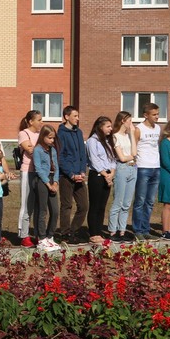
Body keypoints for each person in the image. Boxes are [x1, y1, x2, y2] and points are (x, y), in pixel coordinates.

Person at [56, 106, 90, 243]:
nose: (77, 118)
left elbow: (82, 154)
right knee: (67, 205)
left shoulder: (78, 132)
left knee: (84, 205)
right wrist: (70, 174)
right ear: (66, 117)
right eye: (75, 116)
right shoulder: (61, 134)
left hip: (79, 175)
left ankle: (73, 231)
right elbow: (60, 157)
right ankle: (64, 234)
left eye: (77, 115)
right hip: (66, 176)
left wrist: (82, 171)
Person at [132, 103, 163, 239]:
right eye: (154, 114)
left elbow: (156, 146)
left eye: (158, 114)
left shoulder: (158, 128)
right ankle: (137, 231)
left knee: (150, 202)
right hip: (143, 167)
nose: (157, 117)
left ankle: (146, 230)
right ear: (146, 115)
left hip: (156, 167)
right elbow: (134, 146)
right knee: (140, 200)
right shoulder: (139, 129)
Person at [108, 111, 138, 242]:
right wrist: (131, 156)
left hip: (133, 168)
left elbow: (134, 152)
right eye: (129, 121)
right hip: (122, 168)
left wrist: (132, 134)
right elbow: (122, 157)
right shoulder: (115, 136)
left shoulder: (129, 136)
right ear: (123, 121)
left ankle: (122, 231)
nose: (131, 123)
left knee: (126, 203)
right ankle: (112, 231)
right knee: (118, 202)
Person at [85, 116, 116, 242]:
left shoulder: (107, 141)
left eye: (111, 126)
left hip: (108, 175)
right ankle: (93, 233)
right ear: (100, 127)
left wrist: (111, 173)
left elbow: (112, 158)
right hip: (97, 176)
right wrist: (105, 174)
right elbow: (94, 160)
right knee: (95, 205)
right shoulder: (92, 141)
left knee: (102, 206)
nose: (110, 129)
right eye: (108, 126)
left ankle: (99, 231)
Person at [32, 125, 62, 252]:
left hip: (52, 179)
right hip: (42, 180)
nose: (52, 140)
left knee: (55, 210)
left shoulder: (52, 150)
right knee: (42, 210)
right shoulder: (37, 150)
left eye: (53, 138)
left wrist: (55, 182)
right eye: (49, 138)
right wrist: (48, 184)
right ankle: (42, 238)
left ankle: (50, 236)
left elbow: (56, 167)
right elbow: (38, 168)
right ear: (43, 137)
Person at [16, 110, 44, 246]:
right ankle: (24, 235)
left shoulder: (41, 134)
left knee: (39, 205)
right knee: (27, 204)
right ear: (31, 121)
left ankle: (39, 234)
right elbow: (30, 150)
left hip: (40, 172)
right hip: (28, 171)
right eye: (39, 120)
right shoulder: (24, 133)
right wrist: (43, 150)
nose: (41, 122)